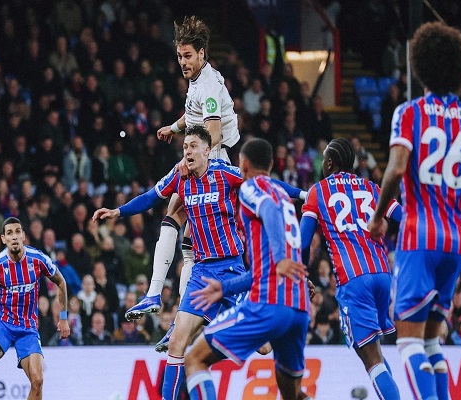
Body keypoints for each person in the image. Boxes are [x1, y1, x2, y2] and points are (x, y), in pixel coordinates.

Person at [93, 126, 246, 400]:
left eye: (192, 146)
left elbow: (262, 185)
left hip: (231, 269)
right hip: (202, 272)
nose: (187, 151)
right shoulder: (180, 176)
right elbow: (150, 197)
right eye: (184, 146)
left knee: (264, 348)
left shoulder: (225, 173)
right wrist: (118, 211)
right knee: (176, 343)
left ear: (207, 150)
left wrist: (303, 196)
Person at [368, 22, 461, 400]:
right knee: (432, 341)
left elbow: (397, 169)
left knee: (409, 341)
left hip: (420, 233)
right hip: (456, 237)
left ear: (420, 65)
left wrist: (378, 215)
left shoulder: (409, 113)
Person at [125, 16, 241, 325]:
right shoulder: (198, 80)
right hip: (207, 158)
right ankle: (177, 317)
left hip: (213, 161)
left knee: (174, 215)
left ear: (202, 53)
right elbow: (194, 113)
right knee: (189, 242)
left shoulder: (210, 86)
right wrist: (174, 127)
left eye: (187, 55)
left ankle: (158, 296)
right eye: (179, 56)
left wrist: (196, 161)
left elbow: (213, 131)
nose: (182, 62)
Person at [183, 138, 309, 400]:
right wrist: (225, 288)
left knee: (195, 359)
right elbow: (263, 270)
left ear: (244, 165)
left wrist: (280, 258)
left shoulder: (252, 187)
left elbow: (268, 210)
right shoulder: (284, 197)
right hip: (297, 307)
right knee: (293, 394)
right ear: (272, 164)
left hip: (268, 304)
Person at [300, 138, 401, 399]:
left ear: (329, 163)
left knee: (372, 361)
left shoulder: (317, 191)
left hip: (354, 279)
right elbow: (404, 217)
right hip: (383, 274)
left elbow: (303, 243)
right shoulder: (371, 187)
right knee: (376, 355)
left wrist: (302, 275)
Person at [0, 217, 70, 400]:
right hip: (3, 324)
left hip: (28, 328)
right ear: (3, 239)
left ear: (23, 235)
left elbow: (61, 282)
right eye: (9, 233)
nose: (14, 236)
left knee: (38, 381)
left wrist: (63, 318)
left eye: (17, 232)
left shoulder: (38, 259)